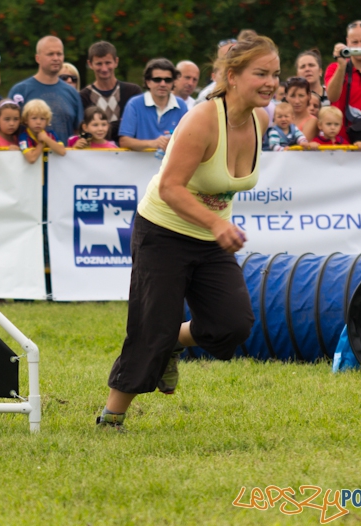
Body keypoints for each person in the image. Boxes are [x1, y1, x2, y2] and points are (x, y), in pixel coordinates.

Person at [96, 36, 279, 432]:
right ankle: (112, 416)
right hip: (163, 231)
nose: (271, 82)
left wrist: (216, 228)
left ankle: (175, 344)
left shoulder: (262, 120)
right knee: (150, 329)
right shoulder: (201, 119)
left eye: (275, 74)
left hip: (210, 240)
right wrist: (217, 223)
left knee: (233, 325)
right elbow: (171, 187)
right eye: (260, 73)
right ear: (232, 76)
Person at [8, 36, 83, 144]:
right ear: (38, 58)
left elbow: (78, 132)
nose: (56, 58)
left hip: (63, 158)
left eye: (59, 54)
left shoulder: (72, 93)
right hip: (29, 158)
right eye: (50, 54)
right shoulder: (20, 91)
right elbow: (8, 129)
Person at [118, 58, 188, 152]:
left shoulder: (181, 106)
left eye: (168, 80)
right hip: (139, 165)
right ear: (148, 82)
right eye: (157, 79)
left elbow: (189, 139)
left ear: (173, 83)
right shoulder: (134, 104)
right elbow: (124, 141)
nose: (163, 84)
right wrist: (153, 143)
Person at [80, 41, 142, 144]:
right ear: (90, 64)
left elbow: (138, 125)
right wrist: (120, 124)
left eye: (108, 63)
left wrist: (98, 126)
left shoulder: (132, 92)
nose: (104, 68)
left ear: (116, 62)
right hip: (95, 154)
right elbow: (83, 131)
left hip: (130, 155)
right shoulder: (84, 96)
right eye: (99, 64)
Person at [17, 99, 66, 163]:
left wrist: (46, 139)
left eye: (42, 118)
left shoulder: (51, 135)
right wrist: (41, 144)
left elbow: (62, 152)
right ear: (26, 120)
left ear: (47, 121)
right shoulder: (23, 137)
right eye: (34, 118)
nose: (38, 122)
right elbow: (31, 159)